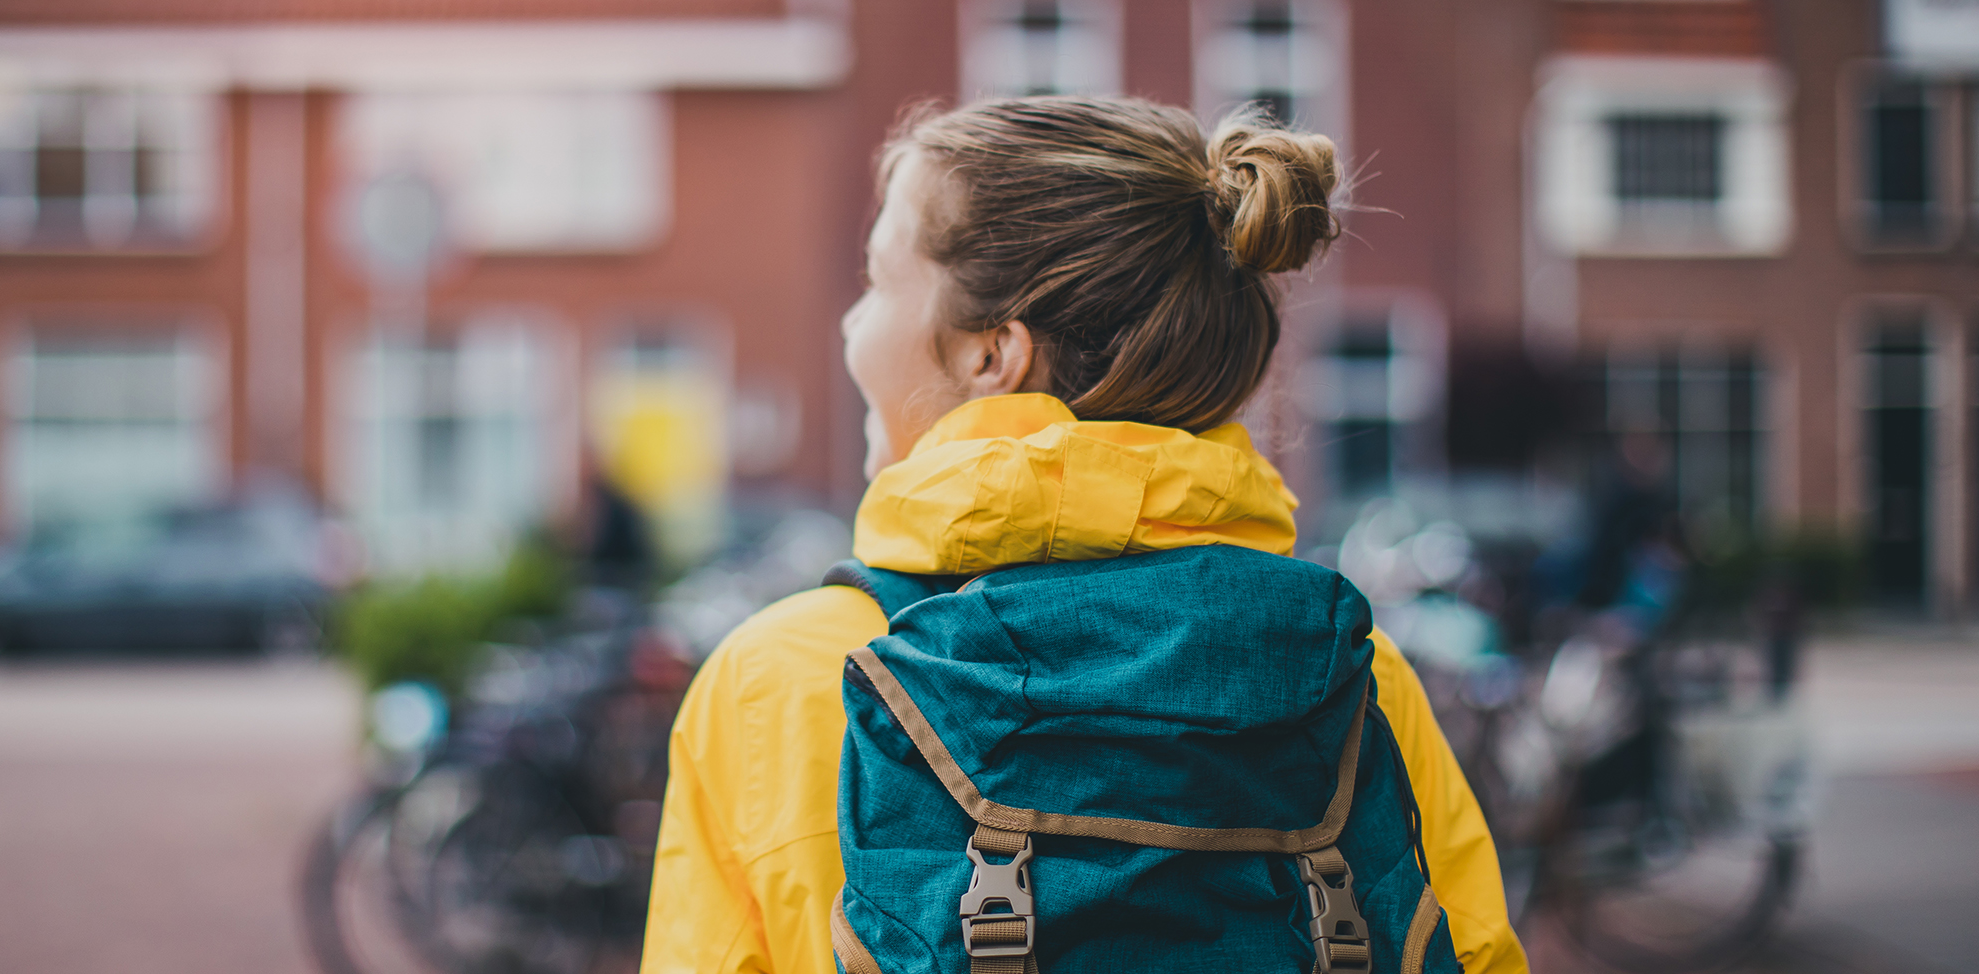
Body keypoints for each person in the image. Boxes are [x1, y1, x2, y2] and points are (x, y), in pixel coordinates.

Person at [642, 96, 1526, 974]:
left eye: (876, 281)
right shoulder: (1347, 674)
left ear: (993, 355)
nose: (850, 323)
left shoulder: (779, 680)